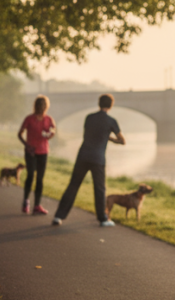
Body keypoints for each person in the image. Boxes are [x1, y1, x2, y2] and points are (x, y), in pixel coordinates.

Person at [52, 94, 125, 227]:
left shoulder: (89, 118)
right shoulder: (111, 121)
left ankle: (58, 216)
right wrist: (109, 137)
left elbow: (89, 133)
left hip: (83, 156)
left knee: (73, 186)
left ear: (98, 103)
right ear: (111, 105)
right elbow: (122, 141)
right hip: (98, 159)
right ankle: (103, 219)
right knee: (99, 189)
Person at [17, 95, 57, 215]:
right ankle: (25, 201)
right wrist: (26, 145)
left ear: (46, 107)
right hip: (31, 152)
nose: (41, 108)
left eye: (43, 106)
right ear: (36, 106)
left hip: (43, 151)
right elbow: (20, 133)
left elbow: (53, 130)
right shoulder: (29, 119)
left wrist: (49, 134)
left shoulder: (48, 119)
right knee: (30, 175)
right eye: (39, 105)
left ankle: (37, 205)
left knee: (40, 179)